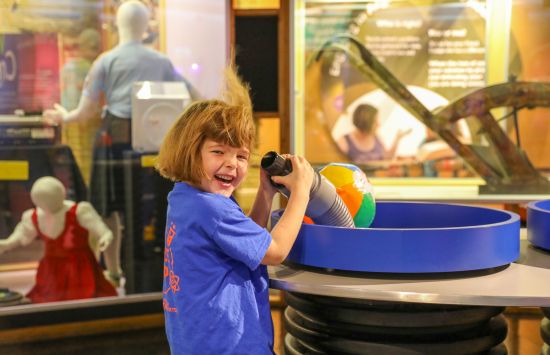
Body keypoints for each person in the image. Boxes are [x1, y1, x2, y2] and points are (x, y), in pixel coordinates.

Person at [155, 66, 314, 354]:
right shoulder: (212, 209)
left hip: (196, 341)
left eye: (241, 156)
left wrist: (266, 193)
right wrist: (301, 192)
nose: (232, 164)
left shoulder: (185, 198)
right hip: (230, 344)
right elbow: (274, 250)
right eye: (218, 152)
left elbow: (246, 242)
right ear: (189, 151)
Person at [43, 0, 193, 285]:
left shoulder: (106, 60)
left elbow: (85, 110)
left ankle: (114, 273)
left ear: (117, 25)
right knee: (158, 204)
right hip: (153, 145)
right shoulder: (161, 61)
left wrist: (65, 116)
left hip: (116, 142)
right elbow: (190, 95)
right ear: (145, 25)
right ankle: (161, 269)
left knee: (111, 207)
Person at [0, 176, 117, 303]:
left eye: (51, 200)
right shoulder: (34, 216)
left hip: (79, 268)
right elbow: (21, 236)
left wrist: (105, 235)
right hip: (51, 270)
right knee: (48, 300)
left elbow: (99, 228)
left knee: (84, 298)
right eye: (43, 202)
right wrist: (7, 244)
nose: (48, 206)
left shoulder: (79, 211)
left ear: (62, 195)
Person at [336, 103, 411, 164]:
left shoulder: (376, 137)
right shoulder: (345, 142)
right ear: (365, 122)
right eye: (375, 121)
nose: (379, 124)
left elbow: (386, 158)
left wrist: (397, 139)